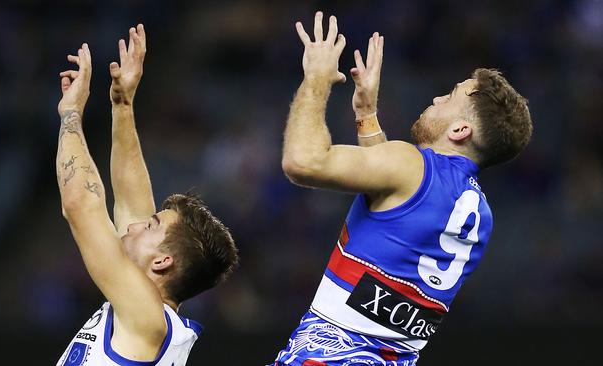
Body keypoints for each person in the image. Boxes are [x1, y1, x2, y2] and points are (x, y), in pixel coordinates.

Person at [275, 12, 533, 366]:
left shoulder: (412, 165)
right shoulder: (479, 214)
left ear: (460, 131)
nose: (437, 99)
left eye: (449, 97)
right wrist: (366, 115)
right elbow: (395, 212)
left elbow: (302, 162)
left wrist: (316, 79)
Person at [54, 25, 239, 366]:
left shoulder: (147, 320)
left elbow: (80, 204)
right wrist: (122, 104)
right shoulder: (147, 316)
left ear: (162, 261)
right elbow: (129, 200)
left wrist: (71, 114)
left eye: (151, 227)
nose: (136, 226)